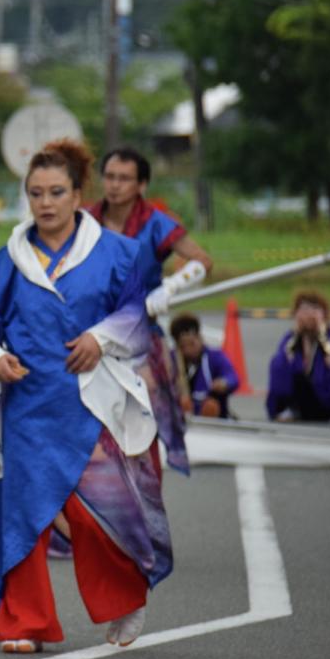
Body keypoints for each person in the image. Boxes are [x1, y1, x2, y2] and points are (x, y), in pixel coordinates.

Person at [0, 140, 171, 654]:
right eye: (36, 193)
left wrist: (100, 338)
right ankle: (24, 621)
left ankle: (124, 598)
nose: (46, 203)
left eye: (57, 192)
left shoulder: (118, 253)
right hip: (27, 402)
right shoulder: (8, 260)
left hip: (90, 401)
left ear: (79, 194)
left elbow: (136, 315)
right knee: (22, 515)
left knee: (97, 512)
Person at [87, 147, 212, 474]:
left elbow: (202, 262)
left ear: (141, 185)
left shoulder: (156, 224)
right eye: (110, 177)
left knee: (145, 407)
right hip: (91, 335)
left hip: (140, 334)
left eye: (124, 179)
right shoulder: (84, 220)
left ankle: (144, 484)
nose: (114, 185)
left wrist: (170, 287)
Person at [266, 291, 330, 425]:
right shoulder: (291, 340)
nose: (308, 314)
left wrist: (322, 337)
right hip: (298, 401)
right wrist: (295, 339)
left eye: (315, 309)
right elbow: (282, 365)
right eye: (303, 309)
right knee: (276, 362)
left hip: (326, 402)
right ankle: (288, 410)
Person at [169, 313, 240, 418]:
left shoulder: (214, 356)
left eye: (192, 344)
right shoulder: (170, 360)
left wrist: (224, 383)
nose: (189, 350)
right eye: (184, 346)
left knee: (211, 406)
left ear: (200, 338)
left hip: (211, 420)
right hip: (181, 421)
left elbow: (232, 377)